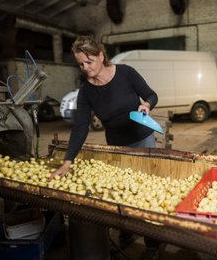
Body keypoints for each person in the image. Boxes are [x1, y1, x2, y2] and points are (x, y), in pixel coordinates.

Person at [49, 35, 160, 260]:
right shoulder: (86, 91)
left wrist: (146, 104)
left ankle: (152, 243)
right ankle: (127, 232)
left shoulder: (126, 73)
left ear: (101, 55)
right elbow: (80, 127)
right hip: (116, 145)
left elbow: (151, 94)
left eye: (89, 61)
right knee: (121, 189)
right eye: (81, 64)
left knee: (145, 190)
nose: (85, 68)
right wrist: (68, 161)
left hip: (142, 139)